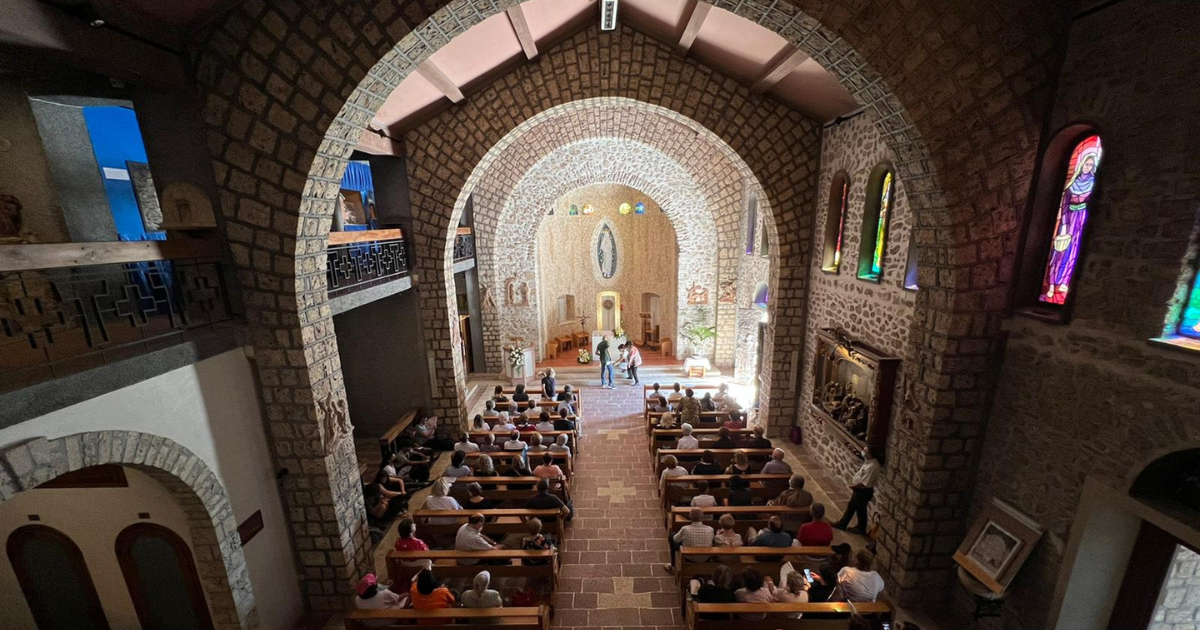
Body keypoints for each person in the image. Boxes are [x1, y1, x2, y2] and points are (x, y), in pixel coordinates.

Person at [835, 447, 881, 535]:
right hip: (861, 491)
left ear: (870, 454)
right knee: (861, 509)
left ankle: (843, 524)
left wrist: (853, 487)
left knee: (852, 507)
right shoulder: (869, 461)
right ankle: (860, 527)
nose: (863, 452)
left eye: (865, 451)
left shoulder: (872, 467)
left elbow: (864, 484)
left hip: (862, 491)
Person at [665, 507, 714, 572]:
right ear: (702, 517)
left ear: (690, 517)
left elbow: (675, 539)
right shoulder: (710, 529)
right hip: (705, 557)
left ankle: (673, 566)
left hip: (688, 557)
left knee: (672, 536)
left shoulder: (685, 529)